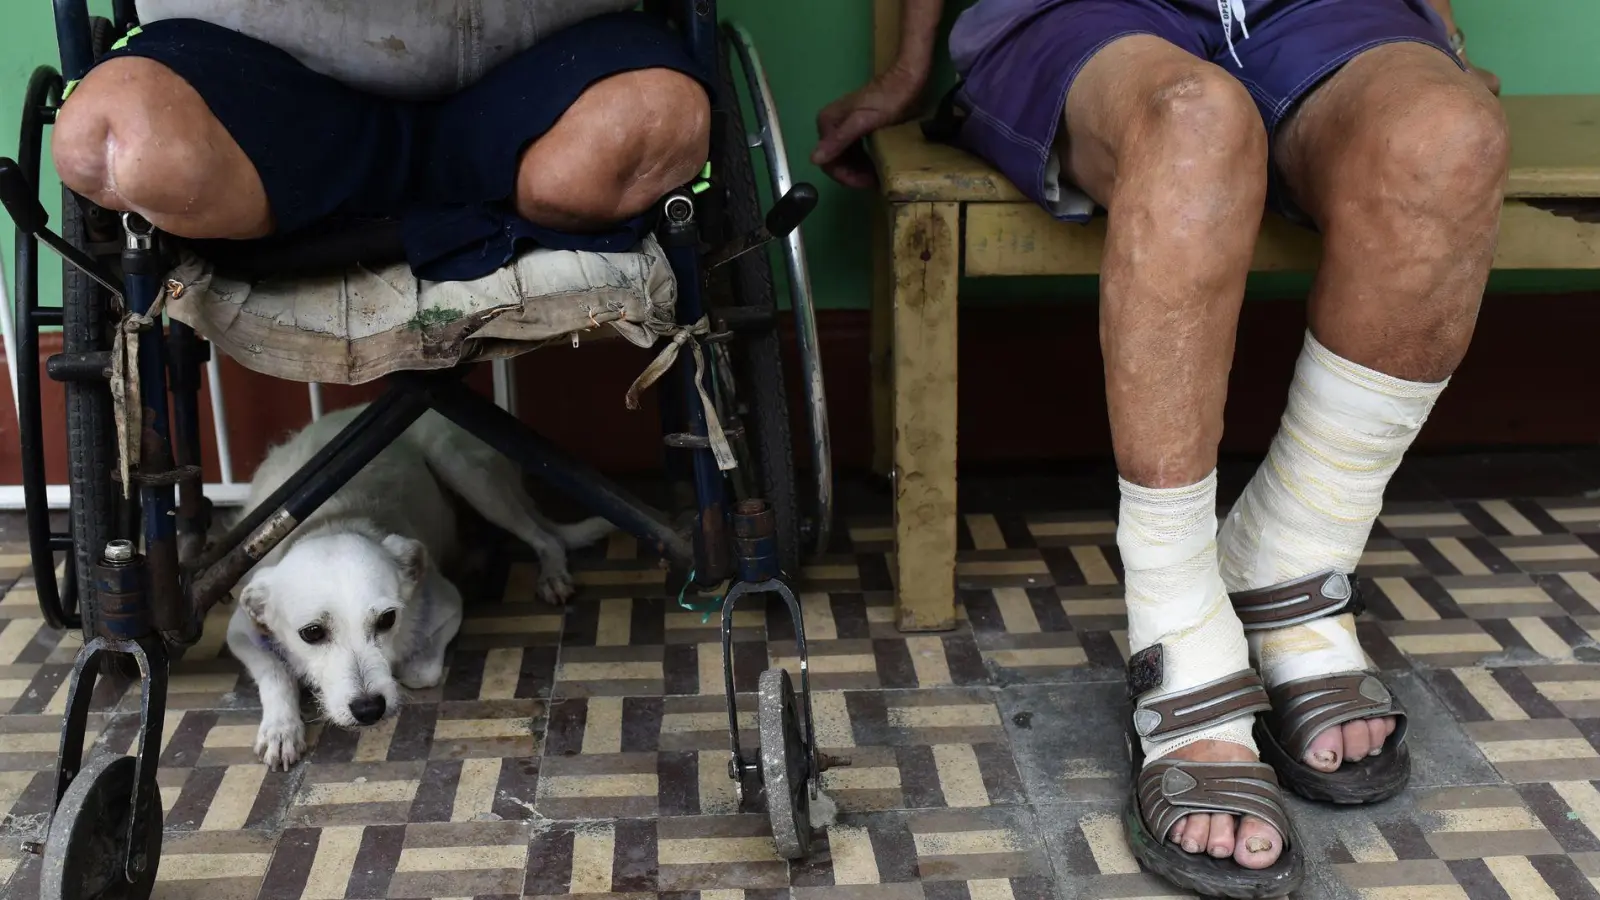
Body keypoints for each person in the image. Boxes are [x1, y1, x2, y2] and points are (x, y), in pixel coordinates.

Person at [813, 0, 1507, 896]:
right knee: (1194, 121)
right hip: (1077, 14)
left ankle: (1294, 557)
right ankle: (1177, 619)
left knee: (1450, 134)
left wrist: (1441, 39)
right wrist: (909, 68)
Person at [50, 0, 714, 284]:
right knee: (110, 140)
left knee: (658, 116)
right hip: (268, 80)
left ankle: (521, 196)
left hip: (539, 58)